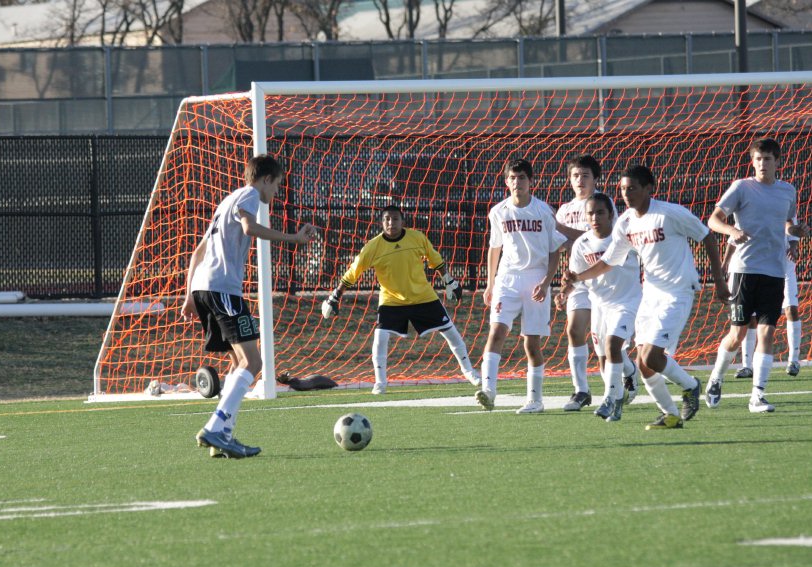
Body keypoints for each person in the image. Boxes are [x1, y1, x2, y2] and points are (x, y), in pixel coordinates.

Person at [562, 165, 729, 430]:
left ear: (649, 189)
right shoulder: (626, 222)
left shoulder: (670, 214)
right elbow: (608, 262)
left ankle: (690, 385)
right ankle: (670, 414)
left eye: (632, 188)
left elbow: (707, 237)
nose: (627, 194)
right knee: (643, 363)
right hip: (650, 295)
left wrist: (719, 280)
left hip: (677, 292)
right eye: (623, 189)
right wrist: (577, 277)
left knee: (651, 356)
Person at [181, 154, 317, 459]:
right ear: (266, 179)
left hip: (205, 288)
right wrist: (293, 238)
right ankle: (215, 428)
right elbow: (249, 229)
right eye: (277, 185)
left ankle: (223, 436)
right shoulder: (250, 195)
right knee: (253, 363)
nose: (277, 193)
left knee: (237, 362)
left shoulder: (225, 202)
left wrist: (190, 294)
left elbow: (198, 252)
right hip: (223, 289)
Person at [321, 205, 479, 394]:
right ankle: (380, 382)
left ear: (402, 221)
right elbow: (352, 273)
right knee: (379, 339)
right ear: (381, 222)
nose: (391, 223)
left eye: (395, 219)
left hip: (423, 296)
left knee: (451, 332)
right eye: (387, 219)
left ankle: (469, 371)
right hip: (391, 300)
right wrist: (335, 296)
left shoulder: (417, 238)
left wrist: (449, 280)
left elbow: (435, 259)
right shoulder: (373, 247)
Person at [704, 138, 807, 413]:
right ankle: (716, 377)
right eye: (758, 159)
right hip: (744, 270)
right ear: (752, 161)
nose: (763, 163)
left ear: (777, 161)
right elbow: (713, 219)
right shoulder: (741, 187)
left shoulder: (787, 190)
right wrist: (732, 231)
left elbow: (788, 222)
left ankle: (757, 396)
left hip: (774, 270)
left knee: (767, 333)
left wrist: (795, 235)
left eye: (768, 159)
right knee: (737, 334)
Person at [475, 158, 566, 414]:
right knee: (496, 331)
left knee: (531, 344)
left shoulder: (543, 211)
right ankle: (488, 391)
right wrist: (490, 284)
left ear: (531, 181)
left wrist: (547, 283)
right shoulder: (498, 212)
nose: (517, 183)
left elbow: (554, 251)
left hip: (536, 277)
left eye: (522, 178)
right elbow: (495, 248)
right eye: (513, 178)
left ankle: (535, 400)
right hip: (508, 278)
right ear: (506, 182)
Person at [554, 155, 635, 411]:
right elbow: (565, 246)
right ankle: (581, 391)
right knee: (574, 331)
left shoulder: (604, 203)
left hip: (610, 283)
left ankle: (626, 374)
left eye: (585, 175)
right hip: (580, 279)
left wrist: (560, 229)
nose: (580, 180)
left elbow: (600, 235)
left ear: (595, 179)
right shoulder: (564, 210)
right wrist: (562, 286)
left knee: (612, 345)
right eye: (575, 175)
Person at [726, 225, 803, 380]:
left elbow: (792, 232)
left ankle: (794, 361)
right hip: (758, 267)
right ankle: (747, 366)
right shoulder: (750, 209)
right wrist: (724, 264)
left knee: (791, 310)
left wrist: (794, 245)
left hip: (784, 267)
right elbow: (733, 238)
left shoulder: (785, 205)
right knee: (751, 319)